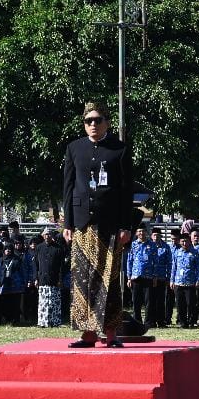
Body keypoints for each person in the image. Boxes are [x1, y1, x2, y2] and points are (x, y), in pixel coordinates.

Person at [61, 102, 137, 348]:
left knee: (108, 278)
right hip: (83, 225)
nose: (92, 124)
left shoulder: (120, 150)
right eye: (88, 121)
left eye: (97, 120)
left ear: (107, 122)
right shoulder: (74, 148)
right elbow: (68, 188)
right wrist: (68, 223)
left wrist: (127, 225)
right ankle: (87, 334)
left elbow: (127, 192)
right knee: (82, 279)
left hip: (111, 225)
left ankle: (111, 333)